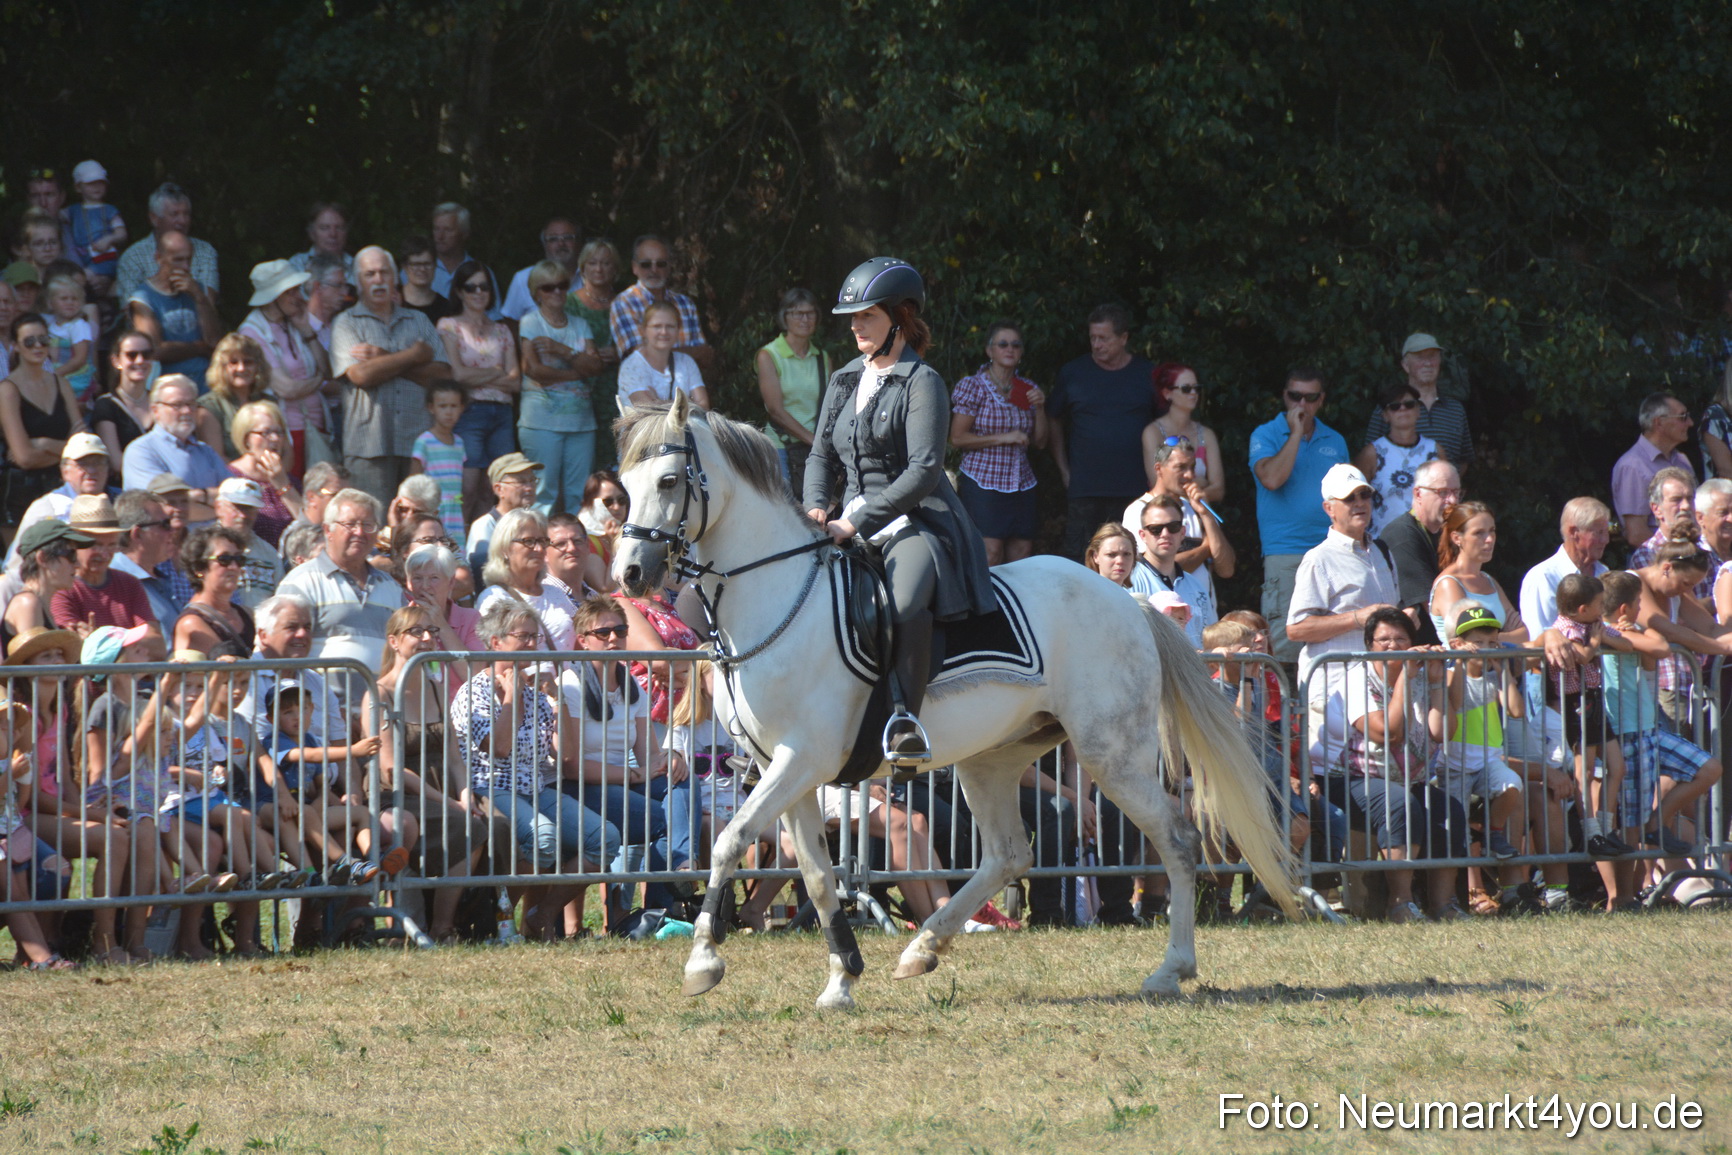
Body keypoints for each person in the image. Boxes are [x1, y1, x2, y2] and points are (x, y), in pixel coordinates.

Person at [805, 257, 995, 761]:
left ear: (900, 317)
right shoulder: (845, 378)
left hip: (915, 519)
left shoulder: (922, 381)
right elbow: (821, 455)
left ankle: (903, 720)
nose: (855, 325)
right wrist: (815, 507)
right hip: (847, 520)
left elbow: (924, 471)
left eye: (866, 314)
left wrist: (855, 521)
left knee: (904, 602)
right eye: (853, 316)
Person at [450, 599, 617, 938]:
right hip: (490, 789)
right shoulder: (474, 692)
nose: (532, 644)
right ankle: (495, 918)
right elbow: (498, 748)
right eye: (523, 637)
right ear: (496, 643)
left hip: (536, 789)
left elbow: (567, 754)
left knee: (605, 838)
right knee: (543, 838)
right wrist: (511, 697)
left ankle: (542, 915)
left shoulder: (537, 694)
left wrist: (559, 701)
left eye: (535, 637)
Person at [1321, 608, 1466, 922]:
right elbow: (1387, 732)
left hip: (1403, 778)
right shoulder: (1357, 678)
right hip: (1347, 779)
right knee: (1396, 803)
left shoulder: (1421, 674)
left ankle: (1444, 904)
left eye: (1400, 638)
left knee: (1448, 810)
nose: (1392, 645)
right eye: (1383, 639)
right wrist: (1406, 677)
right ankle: (1401, 903)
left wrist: (1438, 683)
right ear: (1369, 645)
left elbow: (1441, 732)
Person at [1601, 569, 1723, 870]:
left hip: (1648, 729)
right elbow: (1660, 646)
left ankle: (1657, 822)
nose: (1642, 612)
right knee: (1630, 823)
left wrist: (1637, 633)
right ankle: (1627, 896)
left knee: (1709, 768)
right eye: (1639, 606)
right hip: (1626, 733)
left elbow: (1653, 655)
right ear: (1624, 609)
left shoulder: (1628, 633)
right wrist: (1635, 634)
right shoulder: (1607, 633)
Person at [1287, 463, 1399, 727]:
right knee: (1332, 770)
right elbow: (1295, 629)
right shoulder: (1318, 559)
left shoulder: (1383, 551)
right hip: (1333, 691)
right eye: (1349, 498)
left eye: (1364, 495)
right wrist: (1358, 618)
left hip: (1378, 688)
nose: (1359, 503)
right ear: (1329, 508)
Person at [331, 246, 449, 497]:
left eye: (384, 273)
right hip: (368, 447)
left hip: (418, 443)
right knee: (371, 526)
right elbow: (361, 376)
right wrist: (413, 356)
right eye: (369, 274)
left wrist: (382, 358)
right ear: (358, 282)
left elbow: (443, 377)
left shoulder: (419, 321)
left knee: (417, 527)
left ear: (395, 278)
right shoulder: (346, 322)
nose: (378, 280)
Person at [1249, 368, 1350, 662]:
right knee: (1284, 639)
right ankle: (1283, 706)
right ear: (1285, 396)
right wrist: (1295, 434)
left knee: (1332, 634)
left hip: (1330, 550)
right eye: (1295, 396)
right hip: (1285, 551)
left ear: (1321, 400)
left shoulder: (1336, 440)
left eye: (1310, 398)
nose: (1301, 405)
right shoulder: (1265, 434)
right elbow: (1272, 479)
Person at [1048, 303, 1155, 560]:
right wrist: (1063, 469)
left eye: (1104, 338)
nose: (1096, 345)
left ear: (1124, 338)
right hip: (1086, 487)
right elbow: (1052, 418)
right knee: (1080, 559)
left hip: (1136, 489)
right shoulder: (1074, 373)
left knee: (1133, 560)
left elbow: (1162, 426)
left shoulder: (1146, 374)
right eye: (1093, 338)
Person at [278, 489, 407, 680]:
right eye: (350, 524)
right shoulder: (300, 582)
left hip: (379, 706)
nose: (360, 532)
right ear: (328, 530)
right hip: (320, 706)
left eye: (368, 525)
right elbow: (281, 647)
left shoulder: (392, 587)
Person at [949, 321, 1046, 565]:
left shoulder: (1028, 388)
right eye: (1002, 344)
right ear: (989, 350)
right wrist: (1004, 437)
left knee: (1022, 551)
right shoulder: (974, 386)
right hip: (984, 480)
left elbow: (1041, 442)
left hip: (1021, 481)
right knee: (990, 551)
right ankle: (988, 603)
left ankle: (1015, 603)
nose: (1009, 349)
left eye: (1015, 345)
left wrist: (1041, 408)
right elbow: (957, 438)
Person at [437, 258, 520, 519]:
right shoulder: (449, 326)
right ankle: (457, 548)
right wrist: (496, 373)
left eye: (484, 287)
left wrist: (480, 377)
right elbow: (457, 374)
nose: (479, 293)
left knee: (495, 490)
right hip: (469, 412)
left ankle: (488, 552)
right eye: (471, 287)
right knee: (467, 488)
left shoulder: (502, 330)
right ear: (460, 291)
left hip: (502, 415)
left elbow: (516, 381)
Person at [517, 260, 600, 514]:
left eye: (562, 286)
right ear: (536, 293)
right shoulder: (530, 322)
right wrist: (577, 370)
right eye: (548, 287)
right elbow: (534, 370)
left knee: (581, 493)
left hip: (581, 423)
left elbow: (595, 366)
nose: (556, 292)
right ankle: (537, 548)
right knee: (543, 494)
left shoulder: (580, 324)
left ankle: (580, 549)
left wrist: (561, 350)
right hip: (541, 422)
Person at [238, 259, 334, 478]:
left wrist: (307, 330)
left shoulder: (296, 323)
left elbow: (328, 369)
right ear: (273, 297)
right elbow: (286, 389)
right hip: (286, 431)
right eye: (290, 291)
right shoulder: (252, 332)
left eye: (297, 289)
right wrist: (319, 380)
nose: (298, 296)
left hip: (317, 427)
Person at [2, 312, 88, 526]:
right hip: (20, 494)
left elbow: (85, 447)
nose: (38, 346)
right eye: (29, 341)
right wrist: (68, 453)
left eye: (43, 340)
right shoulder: (7, 390)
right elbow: (24, 458)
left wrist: (44, 444)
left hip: (63, 489)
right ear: (16, 346)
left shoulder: (61, 383)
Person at [609, 234, 715, 381]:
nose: (654, 270)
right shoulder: (624, 303)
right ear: (634, 267)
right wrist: (692, 353)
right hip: (646, 395)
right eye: (646, 264)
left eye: (661, 264)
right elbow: (640, 358)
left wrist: (661, 352)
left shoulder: (685, 304)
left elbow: (706, 358)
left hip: (687, 395)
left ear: (669, 266)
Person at [1376, 459, 1459, 646]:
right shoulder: (1402, 534)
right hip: (1420, 655)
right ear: (1418, 493)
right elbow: (1432, 604)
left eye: (1456, 492)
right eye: (1443, 492)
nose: (1452, 500)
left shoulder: (1450, 533)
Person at [1361, 333, 1474, 470]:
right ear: (1405, 365)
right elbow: (1368, 459)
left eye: (1432, 356)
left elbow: (1463, 460)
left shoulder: (1455, 410)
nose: (1427, 363)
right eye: (1420, 357)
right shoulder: (1391, 407)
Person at [4, 432, 114, 572]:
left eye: (98, 463)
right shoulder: (47, 509)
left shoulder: (116, 502)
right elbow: (17, 566)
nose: (92, 470)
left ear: (107, 469)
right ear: (65, 471)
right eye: (83, 464)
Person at [757, 288, 828, 498]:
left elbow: (828, 405)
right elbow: (775, 411)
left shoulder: (821, 357)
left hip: (815, 448)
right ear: (785, 317)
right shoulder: (769, 355)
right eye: (798, 313)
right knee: (787, 510)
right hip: (781, 447)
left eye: (810, 313)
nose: (805, 319)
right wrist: (814, 441)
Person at [475, 508, 578, 650]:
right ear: (505, 548)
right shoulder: (494, 597)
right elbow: (495, 654)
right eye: (529, 541)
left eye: (542, 541)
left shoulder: (556, 593)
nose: (539, 549)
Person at [1428, 501, 1528, 646]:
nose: (1489, 539)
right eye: (1479, 533)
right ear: (1457, 538)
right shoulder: (1448, 584)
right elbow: (1469, 639)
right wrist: (1504, 635)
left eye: (1492, 530)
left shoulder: (1488, 580)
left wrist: (1491, 638)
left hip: (1496, 666)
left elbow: (1524, 634)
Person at [50, 494, 155, 633]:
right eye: (96, 545)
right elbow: (72, 644)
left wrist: (101, 640)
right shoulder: (61, 588)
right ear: (74, 543)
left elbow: (155, 642)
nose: (104, 554)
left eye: (111, 545)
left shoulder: (130, 584)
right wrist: (131, 639)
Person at [126, 230, 220, 382]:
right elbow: (155, 351)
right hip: (170, 386)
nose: (186, 267)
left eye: (189, 260)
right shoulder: (143, 299)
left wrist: (200, 299)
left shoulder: (199, 290)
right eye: (178, 260)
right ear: (159, 258)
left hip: (206, 382)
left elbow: (215, 342)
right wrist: (199, 348)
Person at [564, 238, 624, 467]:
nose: (599, 269)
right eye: (593, 263)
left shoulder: (624, 302)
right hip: (578, 387)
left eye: (606, 263)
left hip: (614, 388)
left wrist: (620, 353)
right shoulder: (569, 303)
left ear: (616, 269)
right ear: (582, 268)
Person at [1355, 382, 1442, 538]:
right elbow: (1356, 499)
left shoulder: (1435, 451)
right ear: (1385, 415)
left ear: (1418, 411)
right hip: (1383, 543)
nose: (1402, 409)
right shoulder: (1372, 454)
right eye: (1394, 406)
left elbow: (1449, 496)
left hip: (1427, 541)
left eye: (1409, 404)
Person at [120, 375, 229, 498]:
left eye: (191, 404)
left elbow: (236, 494)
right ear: (155, 410)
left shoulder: (206, 451)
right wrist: (216, 500)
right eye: (177, 405)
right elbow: (165, 505)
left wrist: (199, 497)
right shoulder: (141, 451)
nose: (187, 411)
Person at [1130, 494, 1215, 648]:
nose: (1165, 534)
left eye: (1173, 527)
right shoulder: (1130, 580)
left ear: (1182, 532)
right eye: (1155, 529)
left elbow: (1211, 641)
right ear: (1142, 535)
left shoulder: (1197, 587)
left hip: (1194, 670)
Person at [1611, 392, 1697, 545]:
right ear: (1659, 423)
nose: (1690, 423)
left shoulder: (1682, 460)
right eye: (1683, 417)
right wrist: (1679, 556)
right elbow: (1636, 534)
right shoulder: (1632, 466)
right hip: (1659, 562)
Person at [114, 183, 220, 304]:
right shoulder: (132, 258)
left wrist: (194, 290)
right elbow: (131, 311)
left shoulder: (205, 252)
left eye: (186, 214)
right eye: (174, 214)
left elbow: (209, 302)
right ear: (154, 218)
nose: (183, 221)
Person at [1143, 362, 1225, 504]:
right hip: (1164, 515)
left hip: (1199, 517)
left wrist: (1179, 486)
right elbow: (1158, 484)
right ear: (1167, 393)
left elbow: (1219, 491)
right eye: (1186, 389)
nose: (1193, 393)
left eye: (1196, 388)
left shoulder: (1206, 434)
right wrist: (1201, 482)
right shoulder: (1153, 432)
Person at [3, 519, 90, 650]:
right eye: (71, 555)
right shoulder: (28, 603)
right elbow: (36, 667)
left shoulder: (40, 603)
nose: (77, 565)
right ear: (42, 558)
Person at [617, 300, 710, 412]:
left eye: (670, 326)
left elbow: (704, 406)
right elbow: (648, 410)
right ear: (644, 330)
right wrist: (690, 403)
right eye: (657, 326)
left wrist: (658, 402)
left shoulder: (686, 362)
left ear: (678, 330)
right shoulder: (631, 366)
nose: (664, 332)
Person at [110, 490, 184, 631]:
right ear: (137, 534)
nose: (173, 531)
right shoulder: (113, 581)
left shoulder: (160, 578)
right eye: (165, 524)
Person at [195, 333, 273, 460]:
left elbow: (286, 454)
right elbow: (216, 459)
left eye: (248, 362)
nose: (241, 368)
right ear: (221, 368)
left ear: (258, 366)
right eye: (233, 362)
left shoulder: (268, 402)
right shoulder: (209, 407)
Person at [466, 452, 544, 580]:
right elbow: (482, 572)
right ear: (499, 489)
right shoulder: (485, 526)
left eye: (532, 480)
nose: (529, 488)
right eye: (521, 482)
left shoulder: (539, 522)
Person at [210, 478, 283, 611]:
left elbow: (279, 598)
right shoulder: (204, 547)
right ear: (218, 507)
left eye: (249, 508)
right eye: (237, 507)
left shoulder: (269, 554)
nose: (243, 515)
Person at [410, 381, 468, 543]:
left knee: (456, 555)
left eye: (453, 406)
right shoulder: (425, 441)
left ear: (461, 408)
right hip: (433, 511)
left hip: (455, 513)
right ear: (431, 408)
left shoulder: (459, 443)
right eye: (443, 406)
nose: (449, 412)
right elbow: (414, 482)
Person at [93, 329, 157, 464]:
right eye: (131, 355)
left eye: (146, 354)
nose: (140, 360)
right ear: (116, 361)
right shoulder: (106, 405)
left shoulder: (161, 402)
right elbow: (115, 462)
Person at [63, 160, 126, 292]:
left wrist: (109, 239)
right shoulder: (73, 210)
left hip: (104, 257)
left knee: (83, 278)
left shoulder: (110, 210)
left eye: (100, 183)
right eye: (91, 184)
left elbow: (122, 234)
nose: (97, 187)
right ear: (78, 187)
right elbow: (53, 216)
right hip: (83, 258)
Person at [500, 217, 581, 321]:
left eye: (568, 237)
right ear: (544, 245)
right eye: (553, 239)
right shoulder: (523, 278)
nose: (561, 244)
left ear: (578, 243)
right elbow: (509, 323)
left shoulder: (592, 277)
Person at [428, 203, 500, 312]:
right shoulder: (418, 270)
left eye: (448, 230)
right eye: (436, 229)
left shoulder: (481, 273)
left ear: (464, 233)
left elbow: (493, 317)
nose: (440, 236)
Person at [41, 272, 93, 402]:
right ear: (50, 303)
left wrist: (54, 374)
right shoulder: (49, 324)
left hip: (74, 377)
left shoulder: (79, 326)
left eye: (74, 299)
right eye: (64, 299)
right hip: (53, 375)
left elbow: (80, 359)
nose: (70, 302)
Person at [284, 201, 354, 283]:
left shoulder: (357, 267)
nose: (333, 234)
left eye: (339, 228)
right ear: (312, 233)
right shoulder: (296, 265)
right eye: (324, 228)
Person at [397, 235, 457, 325]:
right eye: (416, 264)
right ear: (405, 267)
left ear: (435, 265)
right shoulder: (393, 300)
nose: (422, 269)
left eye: (427, 264)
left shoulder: (446, 307)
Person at [1083, 522, 1138, 589]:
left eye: (1126, 554)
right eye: (1111, 554)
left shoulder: (1135, 598)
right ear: (1096, 557)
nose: (1120, 561)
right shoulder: (1083, 595)